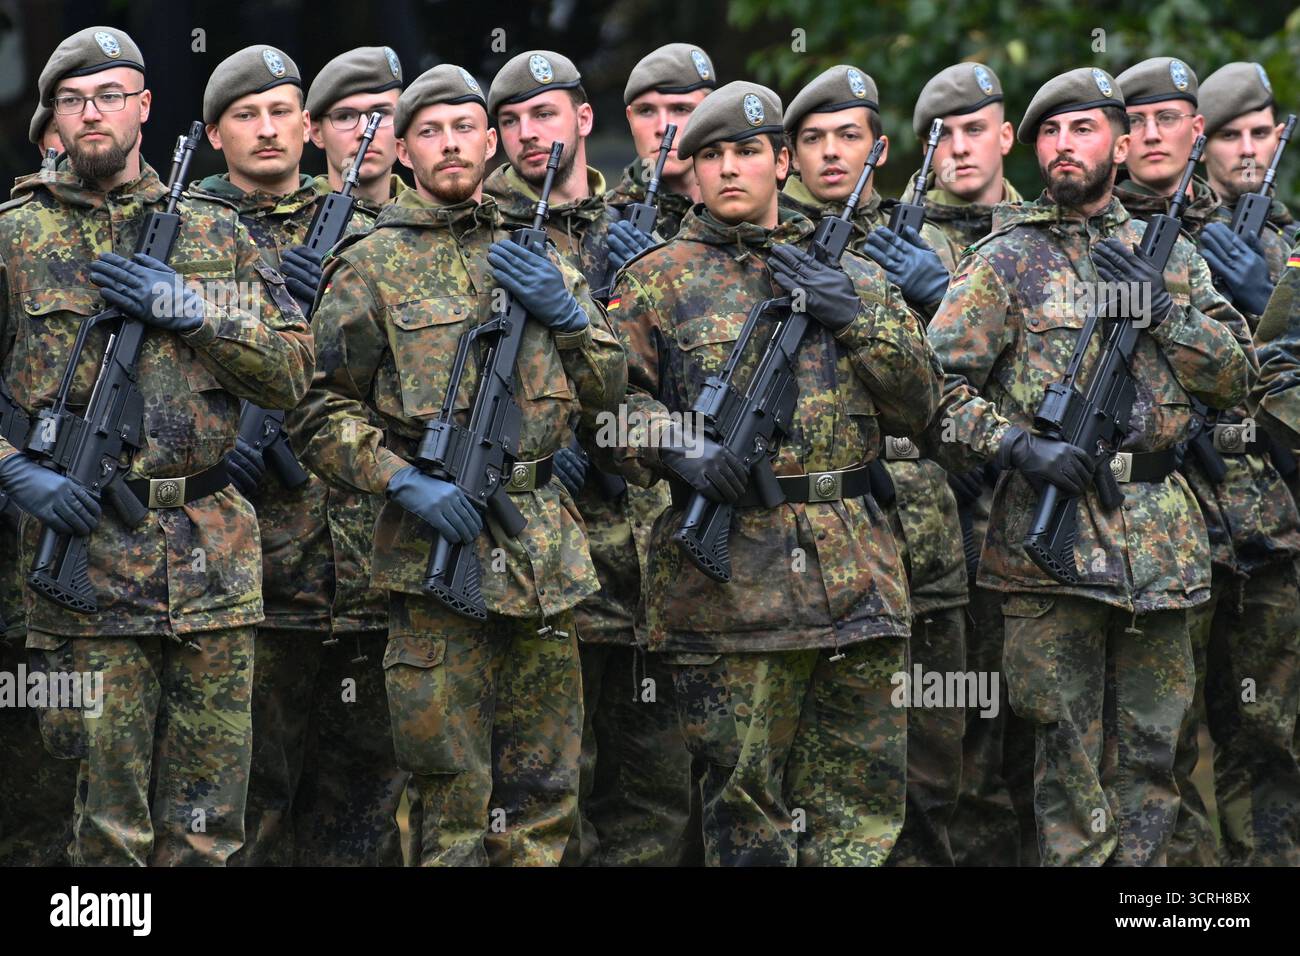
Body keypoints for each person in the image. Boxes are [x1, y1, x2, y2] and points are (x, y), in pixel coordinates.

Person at [289, 63, 626, 866]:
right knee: (448, 802)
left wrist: (569, 314)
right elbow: (314, 407)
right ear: (402, 150)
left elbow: (610, 389)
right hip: (433, 565)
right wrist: (401, 479)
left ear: (490, 141)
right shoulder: (368, 262)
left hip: (542, 557)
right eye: (430, 131)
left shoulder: (537, 251)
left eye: (466, 127)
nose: (450, 145)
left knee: (545, 801)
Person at [0, 26, 314, 866]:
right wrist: (14, 474)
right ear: (54, 119)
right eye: (73, 99)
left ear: (144, 107)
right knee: (106, 832)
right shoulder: (14, 237)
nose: (92, 112)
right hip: (85, 564)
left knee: (209, 830)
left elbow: (291, 372)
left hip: (213, 561)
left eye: (110, 95)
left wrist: (195, 310)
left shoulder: (216, 233)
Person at [607, 79, 942, 865]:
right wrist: (677, 444)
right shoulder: (657, 279)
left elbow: (921, 406)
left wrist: (855, 317)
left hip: (857, 575)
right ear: (688, 171)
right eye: (711, 155)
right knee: (746, 813)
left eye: (748, 152)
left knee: (860, 816)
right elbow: (605, 407)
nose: (729, 170)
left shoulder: (853, 272)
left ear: (782, 162)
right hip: (731, 591)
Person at [924, 66, 1251, 865]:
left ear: (1124, 141)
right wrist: (1017, 446)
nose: (1065, 147)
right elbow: (932, 393)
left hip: (1160, 547)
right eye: (1051, 133)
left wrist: (1164, 310)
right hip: (1050, 549)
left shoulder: (1168, 257)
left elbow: (1238, 375)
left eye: (1084, 129)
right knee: (1066, 771)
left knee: (1152, 765)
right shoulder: (1007, 259)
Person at [189, 43, 408, 866]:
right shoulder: (190, 231)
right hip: (249, 572)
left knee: (364, 809)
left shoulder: (373, 226)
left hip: (365, 559)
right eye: (247, 115)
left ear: (309, 126)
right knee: (249, 803)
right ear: (216, 134)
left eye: (282, 111)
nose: (268, 129)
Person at [779, 64, 967, 867]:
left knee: (930, 774)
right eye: (812, 139)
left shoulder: (938, 242)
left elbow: (977, 382)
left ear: (880, 149)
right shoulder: (767, 246)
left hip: (929, 542)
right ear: (785, 156)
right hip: (809, 555)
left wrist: (939, 290)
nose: (830, 154)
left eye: (847, 136)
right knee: (800, 781)